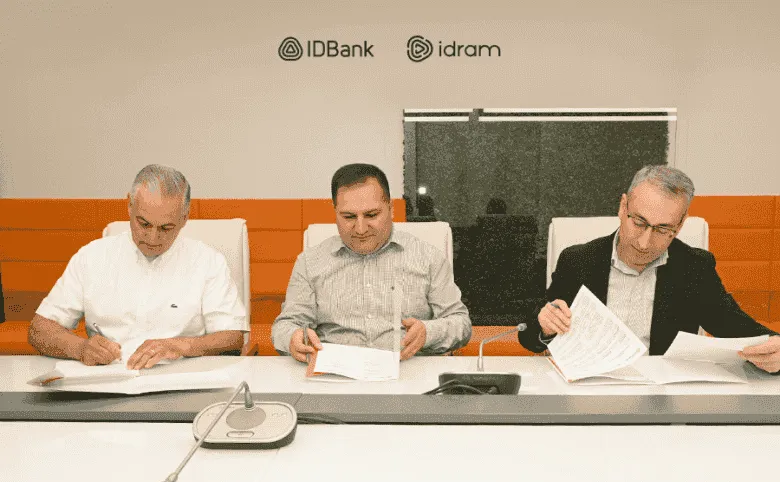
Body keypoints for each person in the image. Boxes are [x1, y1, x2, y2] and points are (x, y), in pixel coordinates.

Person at [518, 165, 780, 372]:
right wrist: (545, 325)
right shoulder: (579, 261)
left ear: (680, 225)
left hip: (661, 397)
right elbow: (530, 337)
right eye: (639, 222)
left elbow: (737, 328)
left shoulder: (694, 268)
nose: (644, 243)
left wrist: (775, 350)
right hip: (589, 386)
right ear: (623, 207)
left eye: (663, 229)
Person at [28, 164, 248, 369]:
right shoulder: (92, 257)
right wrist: (80, 348)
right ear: (130, 205)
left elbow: (232, 337)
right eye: (143, 224)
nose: (152, 238)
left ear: (185, 218)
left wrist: (181, 346)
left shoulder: (208, 262)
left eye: (166, 228)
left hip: (181, 379)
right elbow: (39, 330)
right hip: (107, 380)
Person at [272, 163, 471, 361]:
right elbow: (285, 325)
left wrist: (429, 332)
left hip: (409, 369)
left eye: (371, 215)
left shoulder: (428, 257)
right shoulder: (310, 262)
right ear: (335, 212)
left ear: (391, 209)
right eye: (349, 217)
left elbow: (461, 324)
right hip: (335, 374)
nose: (360, 229)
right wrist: (292, 338)